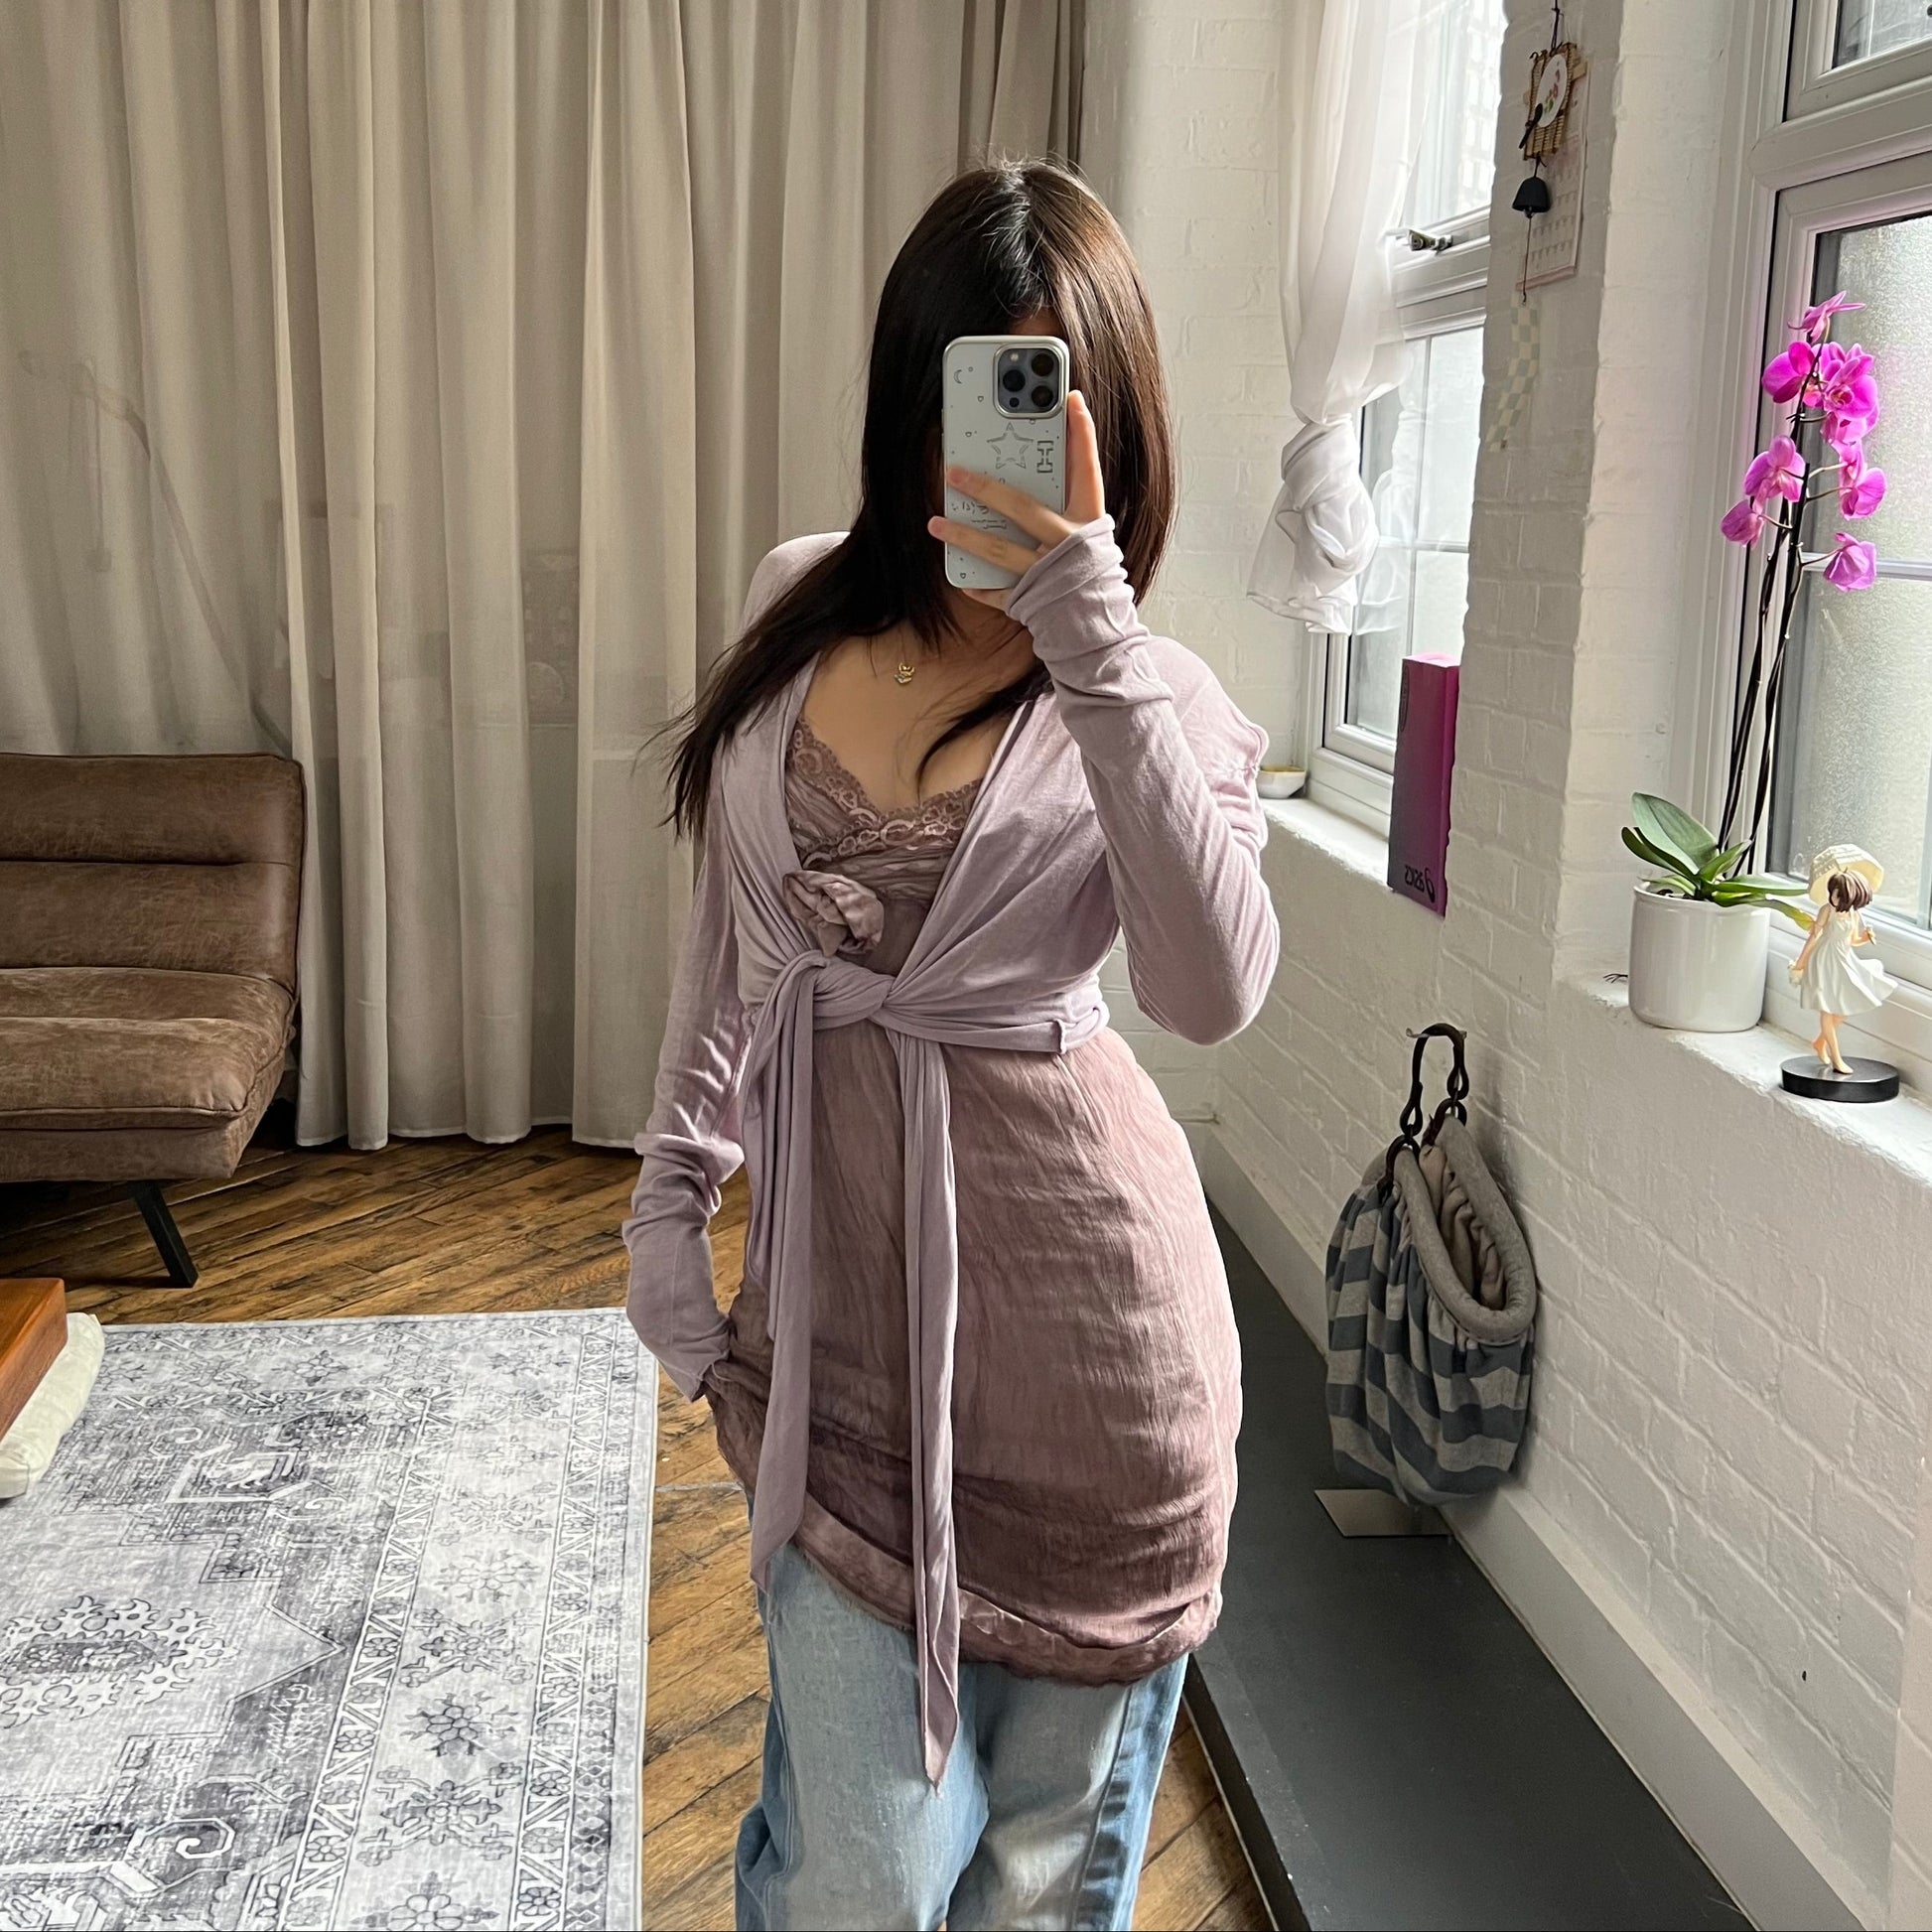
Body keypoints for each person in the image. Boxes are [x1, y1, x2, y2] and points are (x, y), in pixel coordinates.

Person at [623, 158, 1279, 1932]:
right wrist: (670, 1191)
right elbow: (737, 939)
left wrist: (1089, 628)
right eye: (958, 394)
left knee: (1034, 1893)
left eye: (1037, 401)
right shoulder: (797, 605)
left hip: (1097, 1388)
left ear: (1111, 426)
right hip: (838, 1357)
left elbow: (1211, 989)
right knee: (857, 1877)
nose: (977, 451)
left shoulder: (1154, 696)